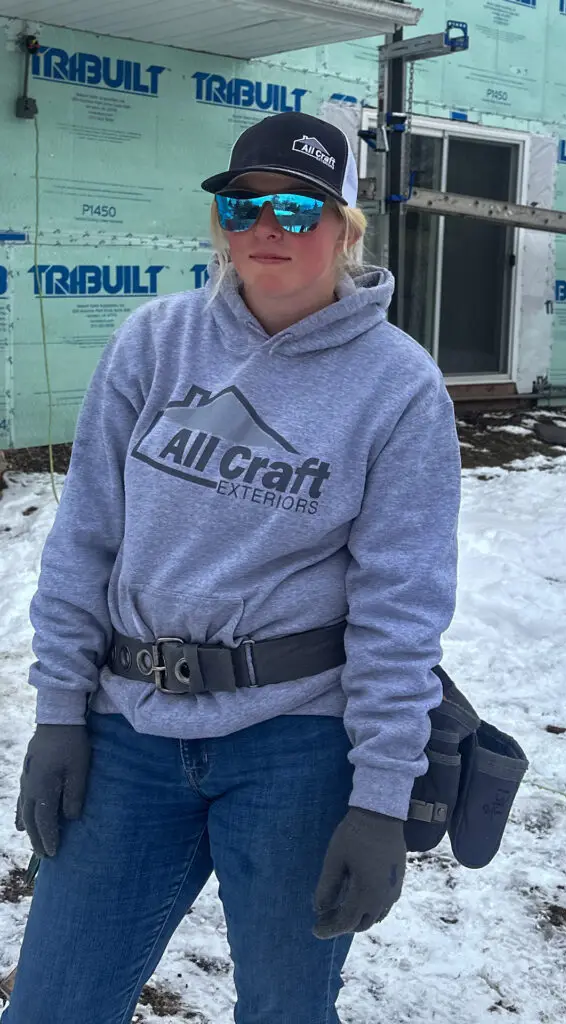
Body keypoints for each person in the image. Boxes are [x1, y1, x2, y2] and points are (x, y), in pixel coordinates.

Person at [5, 111, 462, 1024]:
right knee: (54, 1004)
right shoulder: (154, 342)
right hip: (129, 727)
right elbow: (87, 534)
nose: (267, 230)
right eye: (242, 206)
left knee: (287, 1011)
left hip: (295, 743)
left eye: (299, 211)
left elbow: (399, 608)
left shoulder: (399, 386)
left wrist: (379, 800)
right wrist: (60, 713)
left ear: (344, 228)